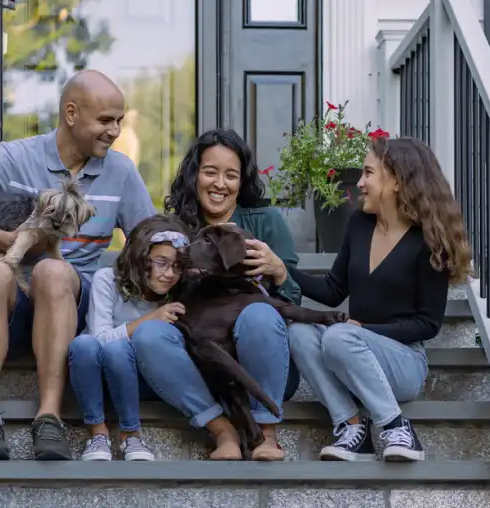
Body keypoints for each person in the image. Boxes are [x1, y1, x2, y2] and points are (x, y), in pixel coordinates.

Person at [0, 69, 156, 461]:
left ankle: (49, 417)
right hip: (7, 306)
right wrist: (11, 242)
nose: (114, 131)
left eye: (119, 120)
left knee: (53, 271)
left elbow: (149, 243)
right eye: (105, 120)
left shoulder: (121, 172)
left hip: (66, 301)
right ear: (70, 113)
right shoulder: (15, 157)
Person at [274, 135, 470, 462]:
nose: (360, 183)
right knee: (298, 333)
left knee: (340, 335)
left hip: (404, 362)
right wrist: (282, 272)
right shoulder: (359, 224)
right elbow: (333, 289)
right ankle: (351, 428)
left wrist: (363, 330)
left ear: (396, 180)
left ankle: (396, 428)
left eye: (368, 173)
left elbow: (428, 324)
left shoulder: (429, 240)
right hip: (350, 349)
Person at [130, 128, 300, 461]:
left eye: (231, 175)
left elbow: (294, 302)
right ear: (195, 176)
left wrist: (279, 271)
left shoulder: (265, 222)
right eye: (210, 172)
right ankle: (223, 431)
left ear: (242, 181)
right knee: (149, 333)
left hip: (261, 362)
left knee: (260, 313)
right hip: (199, 366)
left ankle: (265, 433)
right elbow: (152, 292)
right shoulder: (174, 227)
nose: (220, 184)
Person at [68, 214, 190, 462]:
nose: (169, 274)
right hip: (95, 374)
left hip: (143, 378)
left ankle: (130, 435)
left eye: (178, 266)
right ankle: (97, 433)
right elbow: (99, 338)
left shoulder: (179, 293)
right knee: (83, 344)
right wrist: (149, 319)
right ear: (140, 257)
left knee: (117, 350)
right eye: (161, 263)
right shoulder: (107, 279)